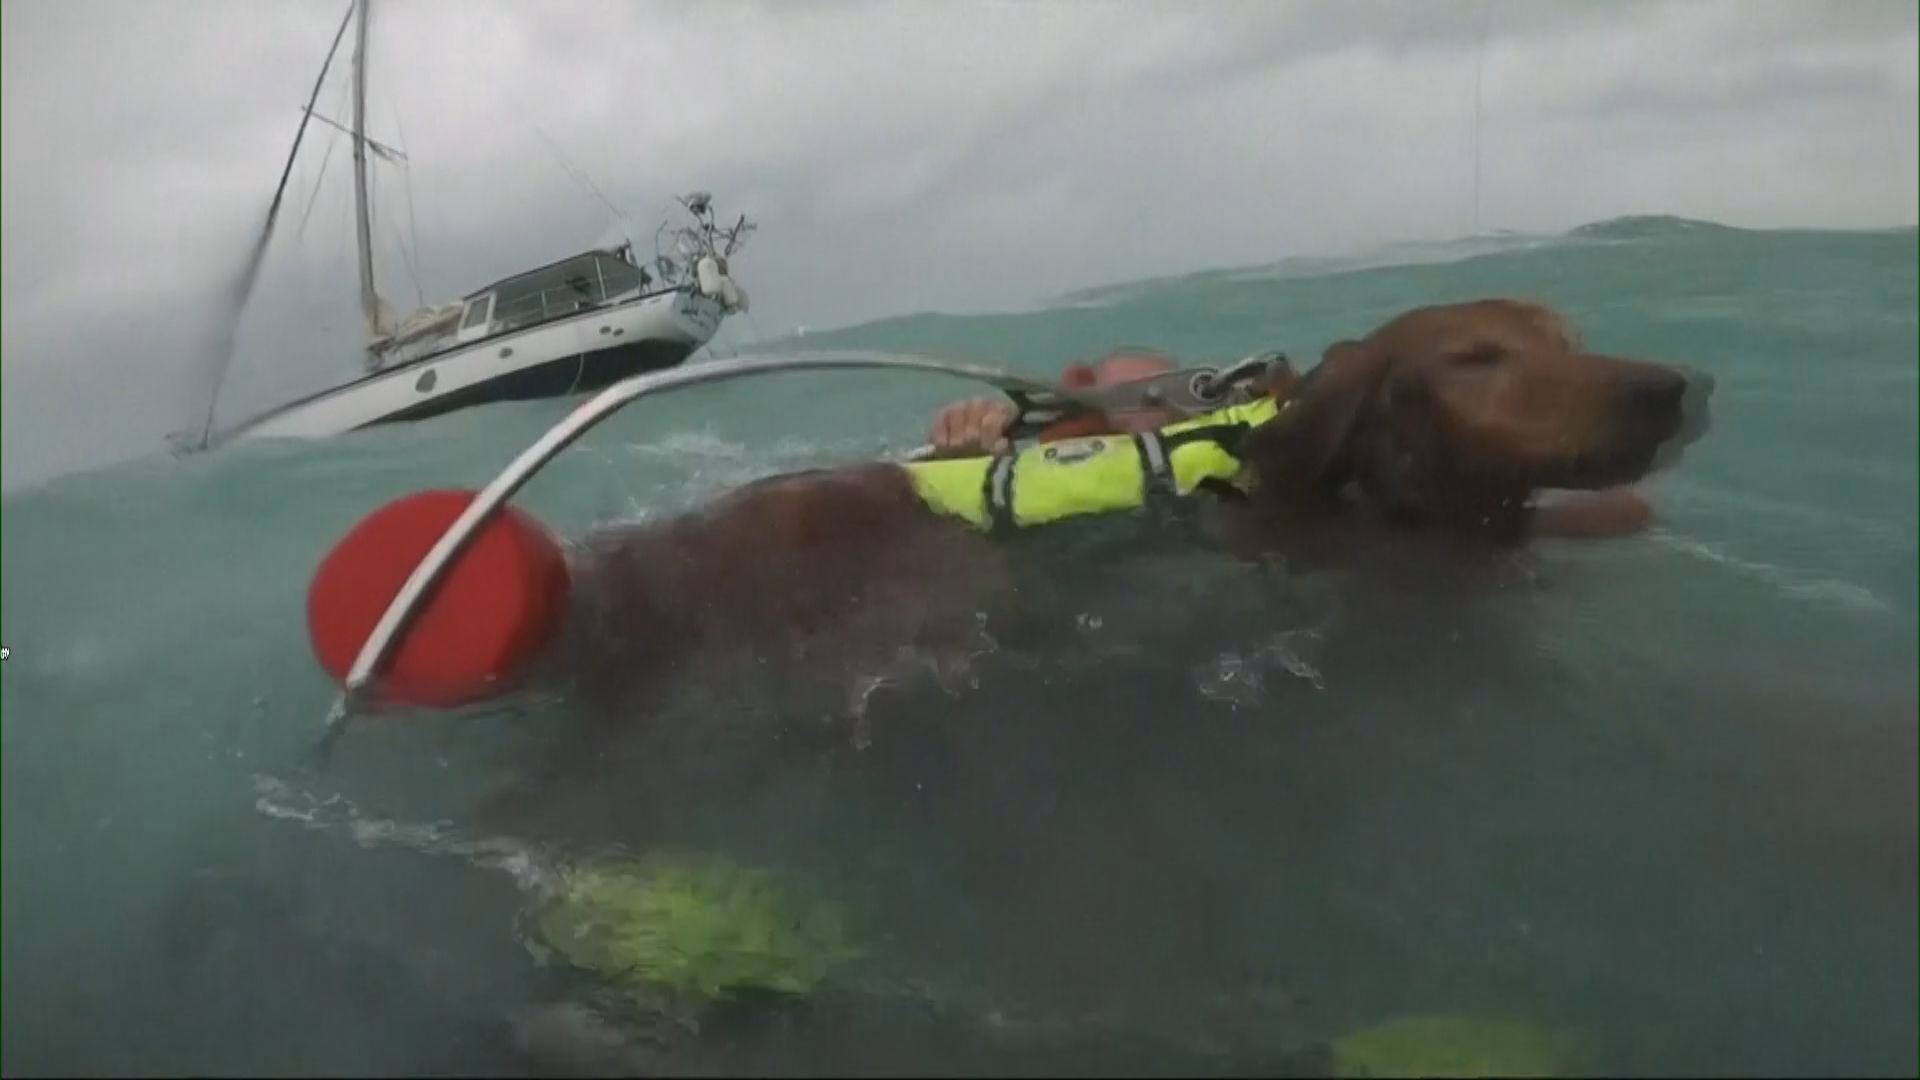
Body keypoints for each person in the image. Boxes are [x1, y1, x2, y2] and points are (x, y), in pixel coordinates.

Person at [923, 347, 1655, 540]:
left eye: (1183, 396)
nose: (1164, 409)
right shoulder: (1022, 454)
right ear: (1079, 384)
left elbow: (1622, 515)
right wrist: (964, 459)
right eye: (1146, 393)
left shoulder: (1260, 471)